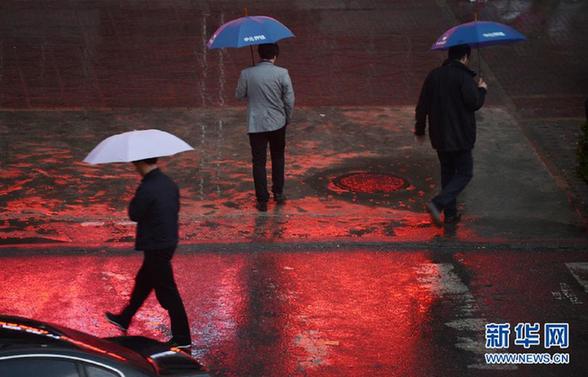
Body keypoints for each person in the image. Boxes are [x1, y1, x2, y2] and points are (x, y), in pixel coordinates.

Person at [105, 157, 191, 349]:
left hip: (155, 245)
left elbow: (134, 213)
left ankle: (183, 337)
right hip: (167, 242)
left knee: (168, 293)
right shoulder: (168, 183)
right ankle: (125, 318)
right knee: (143, 282)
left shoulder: (147, 188)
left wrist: (136, 196)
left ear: (140, 164)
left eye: (135, 164)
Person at [414, 44, 488, 226]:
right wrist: (482, 89)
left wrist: (420, 128)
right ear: (465, 57)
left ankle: (451, 215)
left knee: (448, 172)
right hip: (461, 135)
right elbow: (474, 103)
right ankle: (437, 204)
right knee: (464, 172)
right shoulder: (463, 77)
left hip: (439, 135)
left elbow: (422, 105)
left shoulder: (434, 75)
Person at [236, 43, 295, 212]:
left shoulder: (247, 73)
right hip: (278, 122)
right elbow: (289, 100)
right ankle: (278, 192)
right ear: (275, 56)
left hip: (256, 124)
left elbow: (239, 95)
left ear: (259, 54)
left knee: (259, 162)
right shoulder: (282, 73)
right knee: (278, 157)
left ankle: (262, 200)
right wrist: (287, 118)